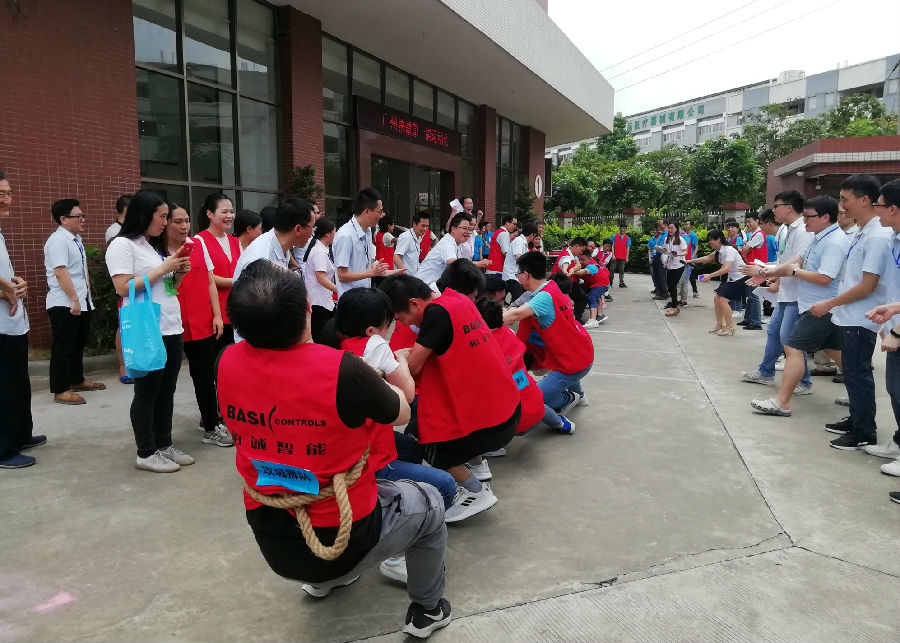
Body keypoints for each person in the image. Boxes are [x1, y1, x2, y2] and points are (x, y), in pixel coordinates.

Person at [218, 261, 451, 638]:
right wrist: (381, 375)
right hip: (346, 534)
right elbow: (403, 410)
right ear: (307, 308)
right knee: (431, 503)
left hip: (273, 537)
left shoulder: (226, 362)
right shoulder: (344, 369)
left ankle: (323, 582)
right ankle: (428, 609)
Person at [380, 273, 522, 519]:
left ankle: (476, 492)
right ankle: (478, 467)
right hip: (507, 408)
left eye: (400, 318)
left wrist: (398, 358)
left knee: (427, 439)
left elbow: (412, 370)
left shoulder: (435, 314)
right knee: (440, 415)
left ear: (414, 303)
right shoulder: (457, 300)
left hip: (492, 424)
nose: (403, 323)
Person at [106, 190, 194, 472]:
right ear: (144, 215)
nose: (166, 223)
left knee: (166, 391)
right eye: (163, 217)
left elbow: (168, 288)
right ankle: (145, 452)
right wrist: (163, 267)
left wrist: (177, 272)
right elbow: (122, 287)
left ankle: (163, 444)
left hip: (170, 325)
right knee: (147, 392)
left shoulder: (151, 246)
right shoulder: (122, 245)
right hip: (148, 328)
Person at [810, 175, 895, 450]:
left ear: (865, 200)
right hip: (852, 315)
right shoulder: (862, 231)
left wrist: (829, 303)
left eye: (845, 199)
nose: (842, 205)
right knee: (853, 373)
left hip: (863, 316)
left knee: (858, 374)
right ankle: (857, 420)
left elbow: (868, 285)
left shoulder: (878, 236)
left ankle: (864, 431)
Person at [749, 196, 848, 417]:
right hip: (812, 305)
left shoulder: (834, 241)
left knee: (793, 347)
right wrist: (768, 271)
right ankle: (857, 391)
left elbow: (825, 277)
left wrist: (793, 272)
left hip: (821, 307)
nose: (804, 220)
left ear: (825, 217)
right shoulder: (819, 237)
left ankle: (782, 402)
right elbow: (797, 260)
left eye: (809, 216)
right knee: (836, 351)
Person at [163, 202, 231, 447]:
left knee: (204, 375)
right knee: (165, 382)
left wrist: (216, 315)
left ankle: (211, 425)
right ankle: (161, 438)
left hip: (201, 321)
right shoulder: (157, 252)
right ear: (164, 223)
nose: (184, 226)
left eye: (186, 221)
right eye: (177, 222)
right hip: (170, 322)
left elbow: (210, 281)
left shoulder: (197, 244)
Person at [503, 250, 594, 434]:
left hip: (571, 363)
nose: (517, 277)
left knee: (535, 398)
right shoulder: (551, 287)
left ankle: (567, 403)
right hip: (579, 353)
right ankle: (580, 395)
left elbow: (514, 316)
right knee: (566, 376)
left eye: (517, 273)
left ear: (525, 275)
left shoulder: (544, 297)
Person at [740, 191, 814, 383]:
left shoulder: (803, 231)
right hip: (786, 292)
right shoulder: (788, 230)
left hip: (797, 294)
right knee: (775, 332)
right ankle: (766, 372)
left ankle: (804, 382)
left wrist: (764, 271)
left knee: (790, 340)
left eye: (776, 206)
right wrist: (771, 275)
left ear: (788, 208)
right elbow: (784, 261)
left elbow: (796, 264)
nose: (773, 211)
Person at [0, 171, 44, 469]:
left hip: (13, 323)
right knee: (5, 387)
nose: (7, 199)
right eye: (0, 193)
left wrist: (18, 285)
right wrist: (6, 289)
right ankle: (4, 449)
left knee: (18, 384)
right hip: (2, 326)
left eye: (9, 192)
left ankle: (20, 434)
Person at [44, 198, 106, 405]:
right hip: (65, 303)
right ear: (63, 219)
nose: (83, 219)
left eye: (82, 215)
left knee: (77, 344)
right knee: (63, 347)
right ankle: (60, 389)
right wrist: (74, 300)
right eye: (78, 216)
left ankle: (77, 380)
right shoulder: (58, 241)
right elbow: (61, 273)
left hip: (80, 302)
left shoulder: (75, 239)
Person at [862, 180, 900, 473]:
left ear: (893, 208)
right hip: (894, 324)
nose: (876, 210)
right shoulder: (894, 239)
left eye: (879, 204)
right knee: (894, 389)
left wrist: (897, 332)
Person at [475, 297, 545, 435]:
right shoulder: (509, 333)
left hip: (514, 422)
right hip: (536, 403)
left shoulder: (484, 345)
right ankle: (561, 422)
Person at [232, 198, 314, 284]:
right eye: (312, 227)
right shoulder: (259, 259)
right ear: (298, 229)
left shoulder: (281, 246)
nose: (313, 232)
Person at [196, 193, 240, 350]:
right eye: (224, 212)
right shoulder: (199, 240)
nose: (229, 216)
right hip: (215, 314)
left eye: (231, 211)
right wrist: (237, 280)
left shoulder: (235, 241)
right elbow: (207, 277)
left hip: (237, 311)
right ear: (210, 214)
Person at [687, 230, 747, 336]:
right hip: (731, 279)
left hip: (741, 278)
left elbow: (727, 268)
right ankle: (719, 325)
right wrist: (690, 261)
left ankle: (730, 327)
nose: (709, 242)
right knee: (717, 299)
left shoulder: (729, 250)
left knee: (723, 300)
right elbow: (708, 258)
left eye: (711, 240)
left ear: (718, 239)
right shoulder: (719, 250)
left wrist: (709, 276)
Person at [334, 188, 391, 298]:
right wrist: (371, 273)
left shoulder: (368, 231)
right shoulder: (345, 235)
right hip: (350, 300)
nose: (381, 215)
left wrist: (387, 271)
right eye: (379, 212)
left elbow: (365, 265)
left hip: (364, 297)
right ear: (367, 211)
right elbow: (342, 275)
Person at [302, 218, 338, 343]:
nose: (335, 235)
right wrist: (339, 289)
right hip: (318, 301)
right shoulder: (319, 252)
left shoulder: (323, 249)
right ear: (327, 233)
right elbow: (321, 278)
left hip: (323, 299)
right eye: (334, 231)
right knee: (320, 336)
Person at [416, 214, 473, 287]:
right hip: (424, 287)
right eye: (464, 228)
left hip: (432, 286)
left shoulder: (457, 244)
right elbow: (454, 264)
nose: (467, 232)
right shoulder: (447, 242)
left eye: (469, 229)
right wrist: (477, 264)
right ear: (453, 229)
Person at [737, 212, 765, 330]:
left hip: (756, 268)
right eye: (746, 222)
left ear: (757, 221)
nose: (747, 224)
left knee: (753, 295)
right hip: (751, 267)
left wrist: (743, 240)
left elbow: (744, 250)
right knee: (749, 294)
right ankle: (748, 319)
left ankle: (756, 322)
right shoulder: (753, 234)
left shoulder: (758, 234)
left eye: (750, 222)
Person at [551, 236, 588, 322]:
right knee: (570, 301)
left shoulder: (573, 254)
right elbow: (565, 264)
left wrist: (573, 269)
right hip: (559, 283)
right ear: (576, 246)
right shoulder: (566, 256)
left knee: (581, 297)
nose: (581, 252)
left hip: (568, 282)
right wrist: (565, 270)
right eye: (581, 250)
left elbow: (578, 265)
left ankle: (575, 318)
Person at [576, 249, 609, 328]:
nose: (580, 261)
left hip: (602, 284)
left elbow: (585, 272)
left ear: (589, 258)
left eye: (583, 259)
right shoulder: (585, 264)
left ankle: (593, 320)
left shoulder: (592, 265)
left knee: (592, 296)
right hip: (594, 284)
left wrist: (571, 272)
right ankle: (599, 315)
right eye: (579, 259)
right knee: (596, 297)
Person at [682, 219, 700, 298]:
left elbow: (696, 247)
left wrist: (693, 256)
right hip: (684, 257)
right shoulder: (683, 234)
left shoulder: (693, 235)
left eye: (687, 224)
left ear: (691, 226)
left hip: (691, 258)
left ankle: (695, 291)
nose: (685, 226)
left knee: (691, 275)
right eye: (685, 224)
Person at [611, 223, 631, 287]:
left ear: (626, 229)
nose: (623, 229)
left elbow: (628, 248)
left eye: (624, 228)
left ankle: (621, 282)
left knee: (622, 270)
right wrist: (613, 255)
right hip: (615, 256)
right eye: (621, 228)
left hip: (623, 256)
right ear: (619, 228)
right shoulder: (614, 236)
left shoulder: (628, 238)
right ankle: (610, 281)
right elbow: (612, 246)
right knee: (612, 269)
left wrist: (627, 257)